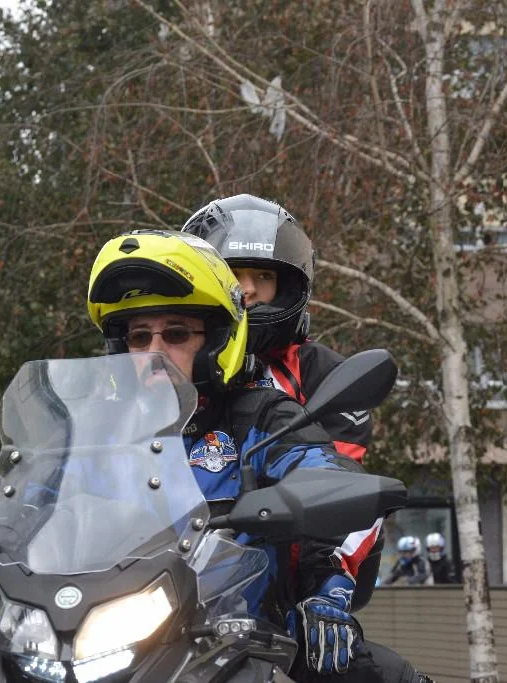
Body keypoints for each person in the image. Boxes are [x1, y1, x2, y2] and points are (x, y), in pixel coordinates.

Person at [87, 231, 425, 681]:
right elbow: (33, 502)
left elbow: (328, 473)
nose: (153, 352)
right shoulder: (97, 435)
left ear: (216, 341)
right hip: (108, 634)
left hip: (239, 640)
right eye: (138, 336)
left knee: (370, 671)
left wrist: (327, 588)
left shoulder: (260, 417)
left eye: (176, 334)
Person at [181, 194, 371, 463]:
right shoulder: (174, 355)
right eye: (232, 273)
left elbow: (338, 471)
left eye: (264, 276)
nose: (248, 288)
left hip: (289, 488)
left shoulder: (319, 371)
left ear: (285, 287)